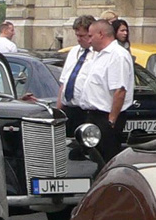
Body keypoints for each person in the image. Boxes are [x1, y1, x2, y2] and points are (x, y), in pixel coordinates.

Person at [69, 17, 134, 161]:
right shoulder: (100, 55)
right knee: (91, 159)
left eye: (91, 36)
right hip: (92, 116)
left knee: (106, 158)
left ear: (101, 34)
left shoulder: (117, 55)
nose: (89, 40)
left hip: (105, 118)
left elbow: (120, 91)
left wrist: (111, 120)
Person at [55, 14, 97, 123]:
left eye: (82, 36)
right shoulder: (74, 51)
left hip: (87, 111)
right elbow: (64, 82)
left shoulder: (99, 54)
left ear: (91, 34)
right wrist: (58, 111)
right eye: (77, 35)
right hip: (69, 108)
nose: (78, 39)